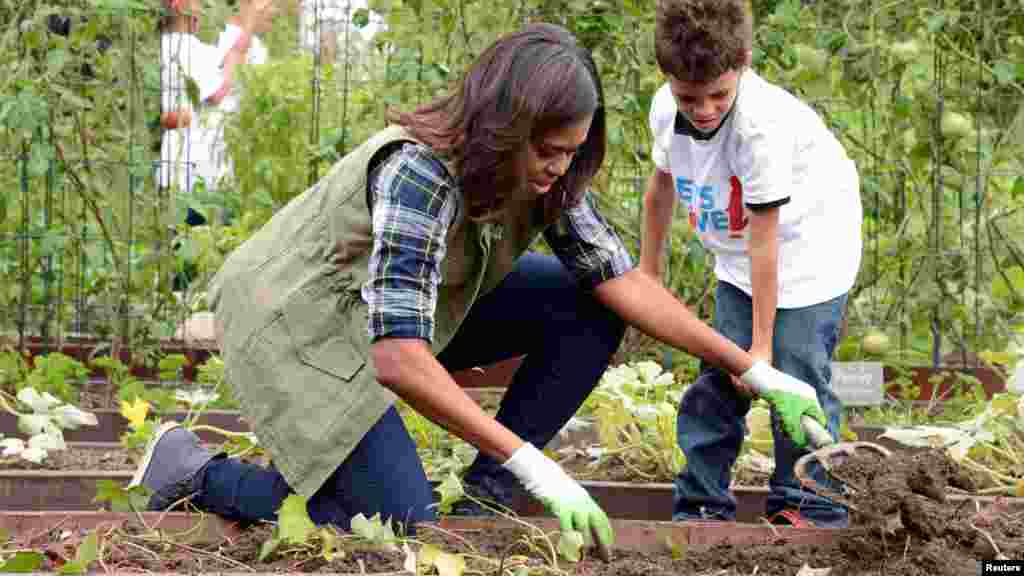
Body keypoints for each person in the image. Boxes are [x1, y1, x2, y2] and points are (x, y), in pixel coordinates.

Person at [130, 23, 828, 555]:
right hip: (298, 324)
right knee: (395, 526)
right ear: (504, 128)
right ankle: (192, 470)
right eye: (548, 151)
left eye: (572, 151)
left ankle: (485, 498)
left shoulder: (548, 169)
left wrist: (753, 370)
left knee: (584, 303)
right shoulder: (420, 173)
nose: (559, 167)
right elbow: (397, 356)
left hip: (387, 311)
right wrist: (531, 461)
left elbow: (618, 278)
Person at [641, 0, 863, 527]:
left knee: (795, 375)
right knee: (718, 377)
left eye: (719, 94)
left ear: (742, 64)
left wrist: (759, 350)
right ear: (667, 77)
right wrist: (648, 276)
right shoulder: (665, 109)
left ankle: (810, 506)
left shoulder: (760, 127)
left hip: (810, 251)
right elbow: (660, 190)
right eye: (689, 96)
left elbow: (768, 238)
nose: (704, 108)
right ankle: (700, 506)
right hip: (741, 259)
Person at [157, 0, 274, 219]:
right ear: (179, 5)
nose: (201, 4)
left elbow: (227, 57)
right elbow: (218, 92)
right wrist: (249, 24)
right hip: (196, 174)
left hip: (174, 168)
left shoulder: (166, 45)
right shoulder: (186, 49)